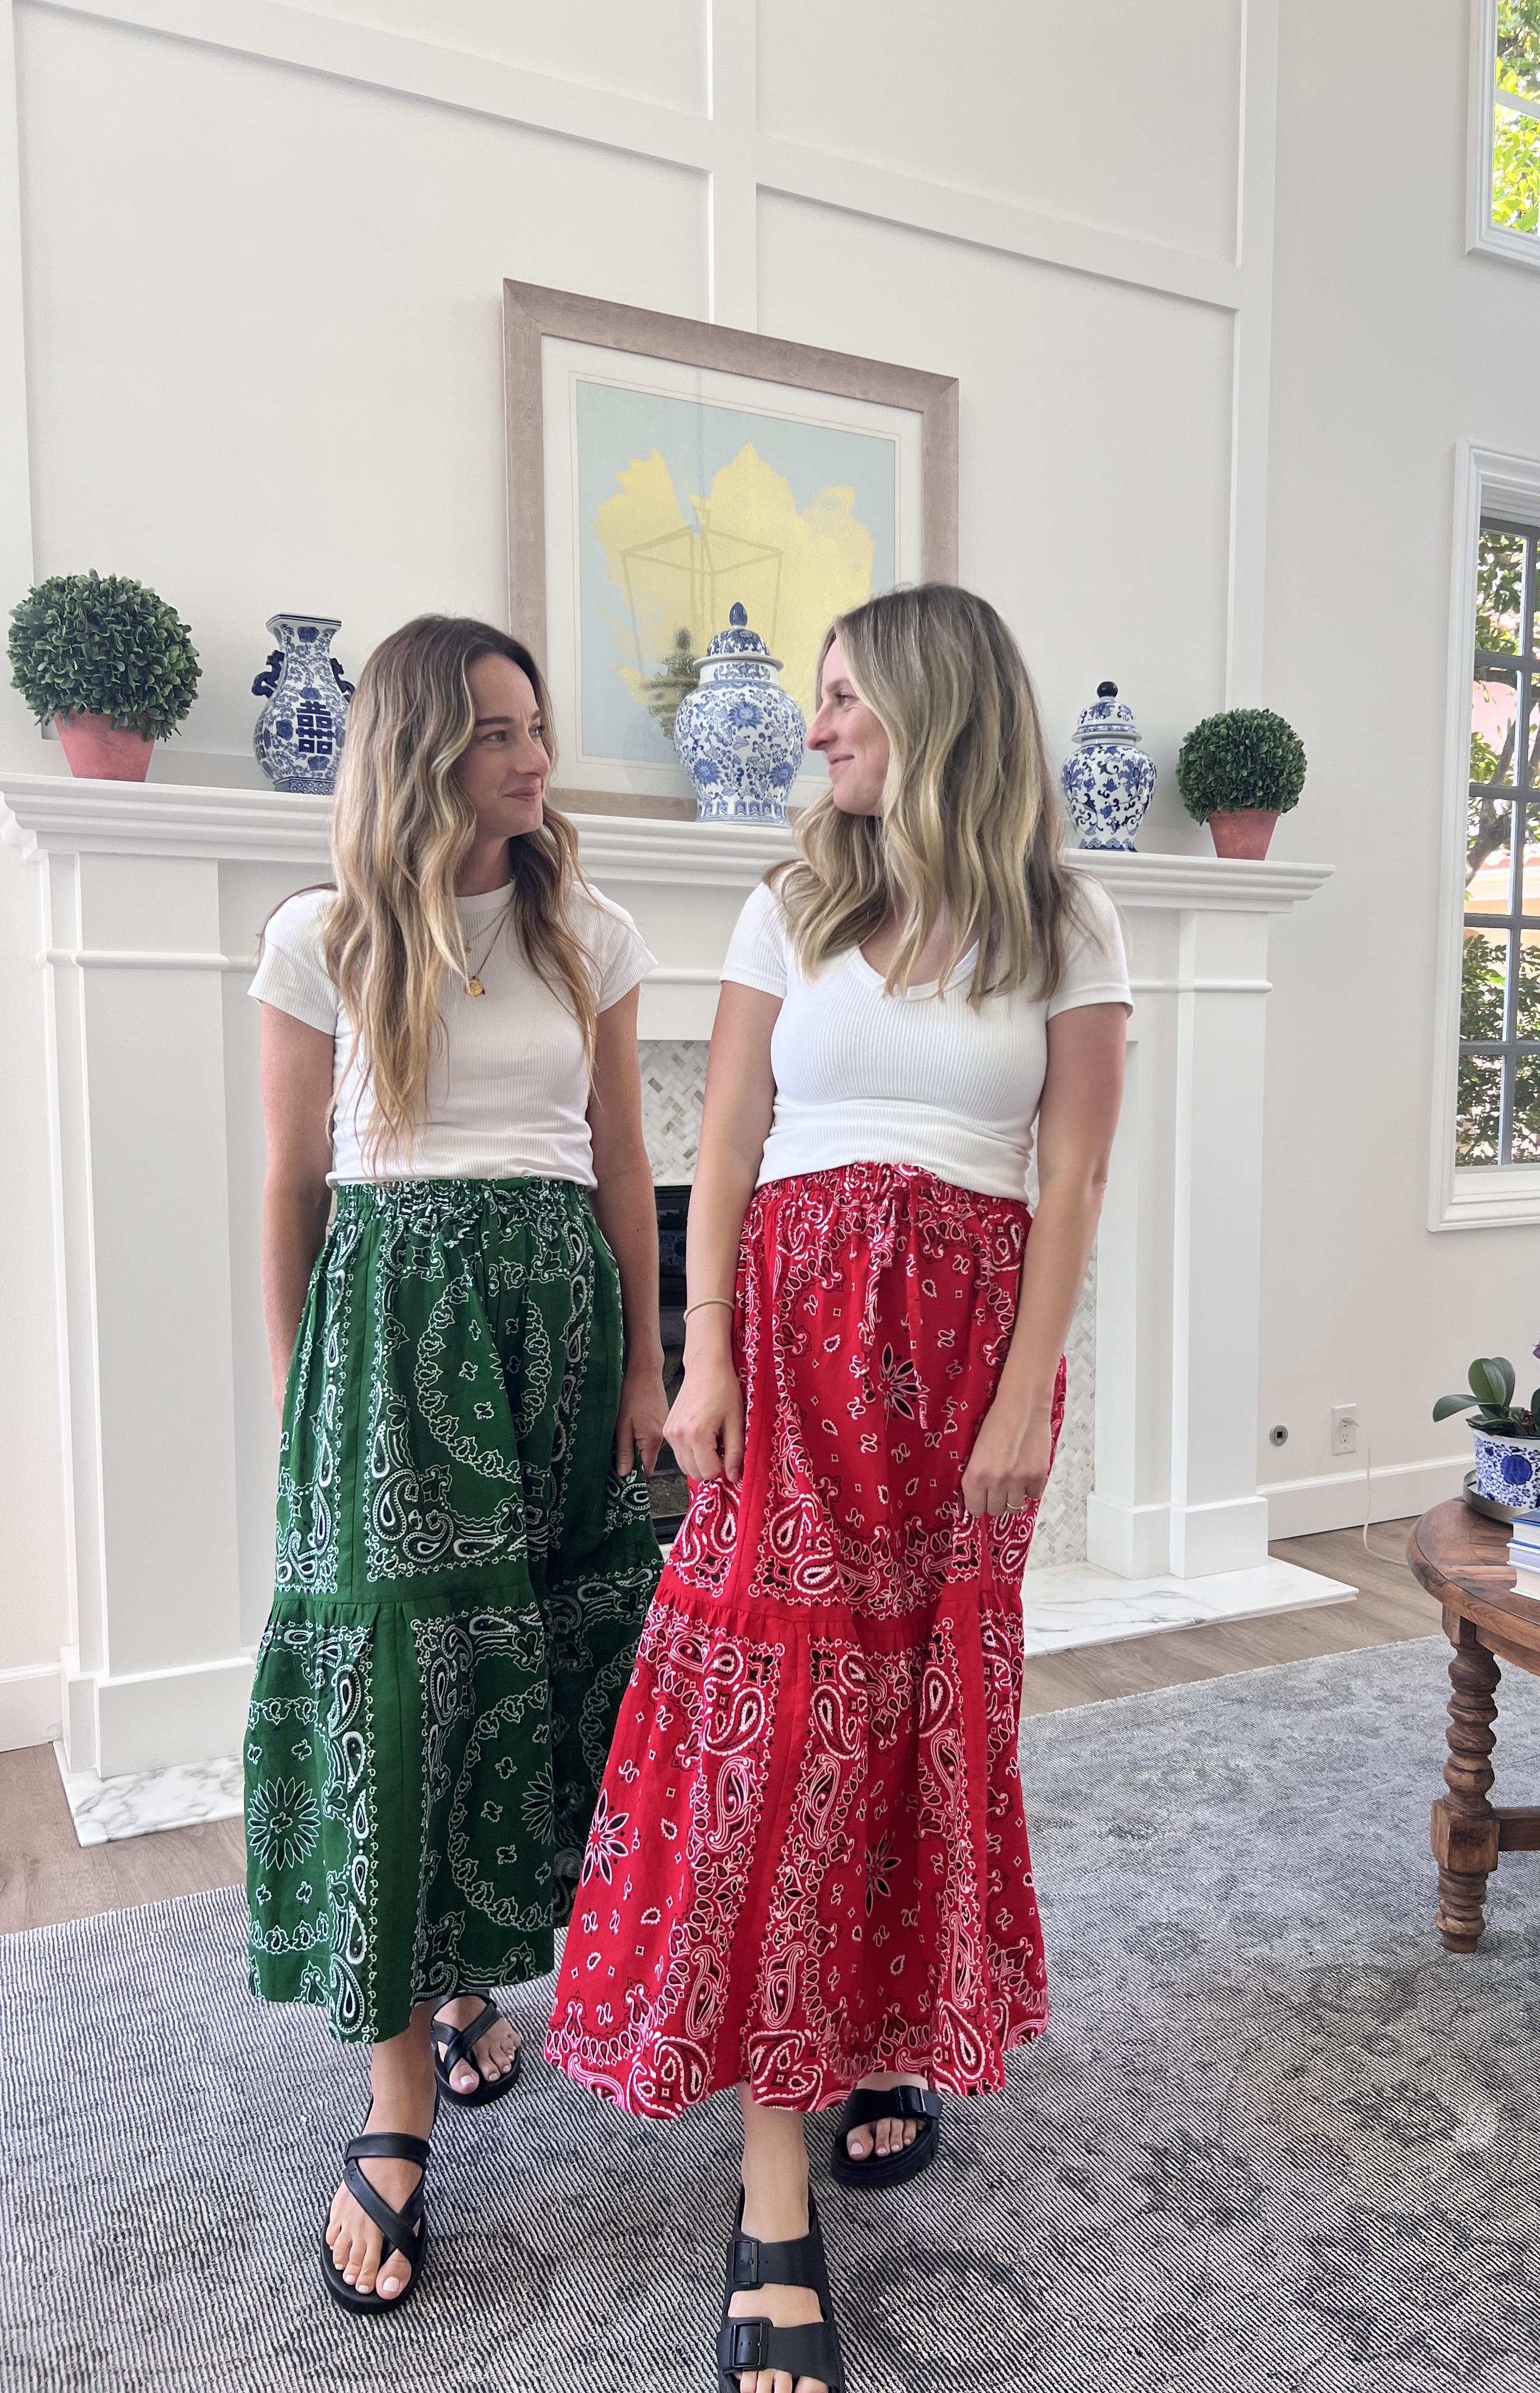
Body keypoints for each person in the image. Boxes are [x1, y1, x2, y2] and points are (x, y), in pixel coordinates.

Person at [545, 584, 1131, 2393]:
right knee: (780, 1737)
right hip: (788, 1358)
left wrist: (1025, 1394)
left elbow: (1073, 1177)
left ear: (941, 708)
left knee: (918, 1719)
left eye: (847, 698)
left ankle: (881, 2027)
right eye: (812, 701)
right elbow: (722, 1140)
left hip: (963, 1365)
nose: (818, 731)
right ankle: (773, 2188)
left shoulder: (1067, 918)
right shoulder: (788, 902)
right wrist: (705, 1351)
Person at [245, 615, 666, 2313]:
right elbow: (294, 1184)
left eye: (538, 727)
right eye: (499, 732)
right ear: (422, 751)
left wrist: (650, 1360)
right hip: (392, 1327)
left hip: (559, 1322)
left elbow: (625, 1161)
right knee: (403, 1689)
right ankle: (398, 2098)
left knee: (560, 1661)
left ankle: (485, 1974)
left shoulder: (593, 933)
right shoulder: (322, 938)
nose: (535, 758)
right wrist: (306, 1397)